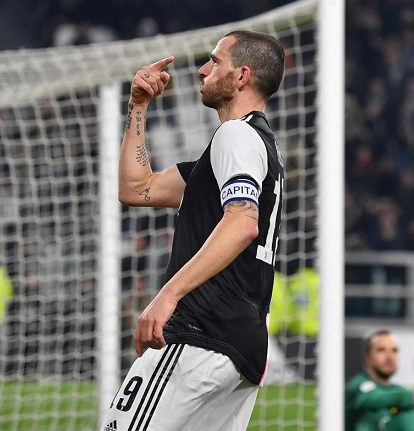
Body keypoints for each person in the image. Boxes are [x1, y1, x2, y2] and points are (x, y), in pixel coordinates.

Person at [100, 30, 285, 431]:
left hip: (199, 332)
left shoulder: (236, 135)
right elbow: (136, 188)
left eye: (215, 61)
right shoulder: (251, 149)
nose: (202, 70)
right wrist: (138, 107)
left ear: (242, 76)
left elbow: (241, 223)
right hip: (240, 347)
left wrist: (167, 296)